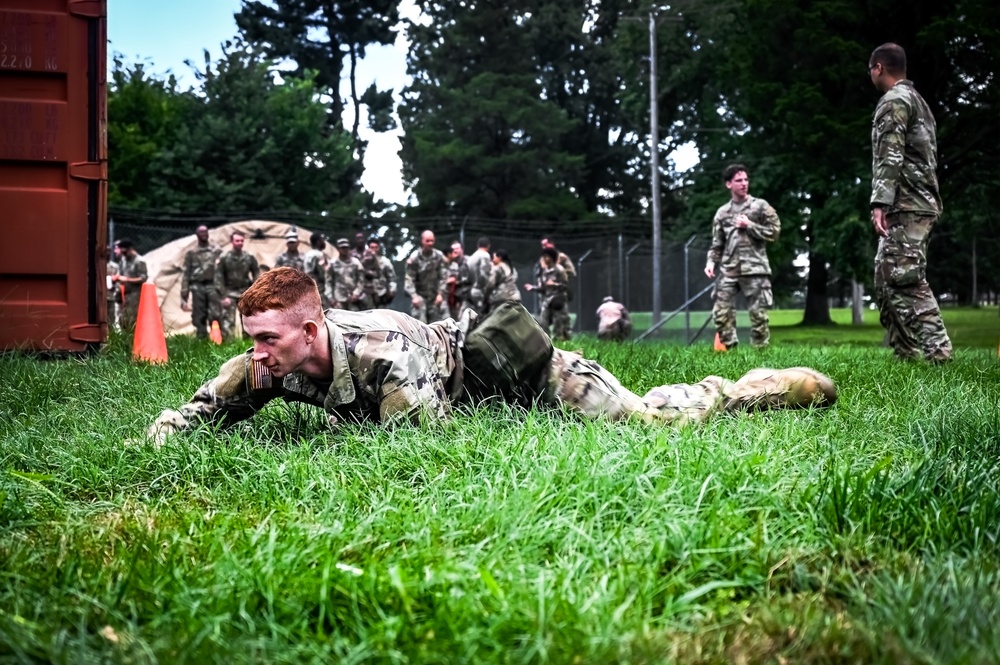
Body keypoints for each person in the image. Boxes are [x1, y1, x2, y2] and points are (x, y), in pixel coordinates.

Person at [145, 268, 838, 446]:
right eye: (253, 338)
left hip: (518, 377)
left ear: (310, 328)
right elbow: (199, 410)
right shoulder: (267, 364)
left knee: (652, 423)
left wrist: (327, 432)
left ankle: (754, 386)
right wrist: (163, 432)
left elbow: (416, 449)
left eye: (268, 338)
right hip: (468, 389)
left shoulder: (385, 357)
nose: (255, 353)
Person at [868, 42, 952, 363]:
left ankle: (939, 353)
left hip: (906, 204)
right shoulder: (918, 101)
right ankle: (905, 352)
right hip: (916, 203)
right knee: (884, 279)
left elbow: (891, 153)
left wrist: (880, 202)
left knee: (905, 278)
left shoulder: (894, 101)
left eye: (871, 70)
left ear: (879, 68)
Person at [704, 164, 781, 349]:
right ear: (729, 184)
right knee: (721, 313)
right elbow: (717, 243)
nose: (744, 183)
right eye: (739, 180)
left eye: (746, 179)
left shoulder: (760, 206)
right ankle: (731, 352)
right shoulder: (722, 213)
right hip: (729, 270)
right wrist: (711, 262)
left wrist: (750, 226)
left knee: (759, 316)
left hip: (755, 269)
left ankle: (760, 355)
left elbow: (775, 232)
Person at [214, 231, 260, 341]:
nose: (240, 243)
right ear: (232, 242)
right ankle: (228, 346)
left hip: (245, 293)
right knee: (228, 321)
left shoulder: (249, 257)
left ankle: (248, 345)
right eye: (237, 241)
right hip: (229, 293)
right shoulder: (224, 257)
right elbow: (218, 277)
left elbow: (256, 274)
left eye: (242, 241)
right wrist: (223, 295)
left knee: (248, 319)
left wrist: (254, 291)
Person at [180, 225, 222, 339]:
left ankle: (220, 338)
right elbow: (186, 273)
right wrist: (184, 291)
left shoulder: (216, 250)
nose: (204, 234)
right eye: (201, 232)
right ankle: (202, 338)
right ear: (197, 235)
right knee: (199, 314)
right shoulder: (191, 253)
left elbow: (222, 270)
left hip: (212, 285)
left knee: (216, 313)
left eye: (206, 232)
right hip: (197, 286)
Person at [525, 247, 571, 341]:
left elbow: (566, 286)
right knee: (543, 321)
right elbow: (543, 288)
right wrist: (532, 288)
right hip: (547, 300)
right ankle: (546, 340)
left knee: (558, 322)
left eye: (547, 256)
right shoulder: (545, 271)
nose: (545, 259)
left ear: (552, 257)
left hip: (558, 299)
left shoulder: (560, 270)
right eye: (544, 256)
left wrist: (555, 284)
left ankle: (560, 340)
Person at [404, 230, 448, 323]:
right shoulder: (415, 258)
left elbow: (443, 277)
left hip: (435, 296)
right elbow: (409, 279)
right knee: (420, 324)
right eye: (427, 241)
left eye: (432, 241)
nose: (430, 243)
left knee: (441, 323)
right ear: (422, 241)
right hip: (420, 297)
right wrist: (414, 296)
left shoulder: (439, 256)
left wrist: (440, 294)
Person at [111, 239, 147, 331]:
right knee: (122, 319)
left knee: (132, 320)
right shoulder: (124, 260)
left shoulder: (139, 261)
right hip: (123, 294)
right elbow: (120, 273)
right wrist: (116, 278)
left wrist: (127, 279)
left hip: (134, 295)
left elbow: (143, 278)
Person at [326, 238, 366, 310]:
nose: (345, 250)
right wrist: (330, 298)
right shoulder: (333, 264)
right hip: (338, 299)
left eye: (346, 247)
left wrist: (356, 293)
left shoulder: (356, 263)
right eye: (342, 248)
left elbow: (361, 280)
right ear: (338, 249)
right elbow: (328, 282)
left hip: (353, 299)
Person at [361, 236, 397, 309]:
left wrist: (391, 291)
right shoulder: (362, 262)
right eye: (371, 247)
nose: (373, 249)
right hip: (367, 295)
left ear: (379, 248)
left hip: (381, 294)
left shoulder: (385, 262)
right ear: (368, 248)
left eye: (376, 247)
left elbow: (392, 279)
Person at [483, 249, 521, 315]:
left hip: (503, 297)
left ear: (499, 258)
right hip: (516, 295)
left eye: (494, 257)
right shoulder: (511, 267)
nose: (493, 259)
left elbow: (490, 284)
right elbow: (514, 278)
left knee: (492, 315)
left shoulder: (498, 268)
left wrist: (486, 296)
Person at [444, 241, 475, 320]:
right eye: (453, 249)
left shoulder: (469, 261)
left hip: (467, 295)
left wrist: (457, 281)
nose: (455, 250)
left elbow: (472, 278)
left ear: (462, 250)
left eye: (457, 248)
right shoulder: (448, 262)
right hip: (452, 297)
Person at [465, 236, 493, 316]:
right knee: (483, 317)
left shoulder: (471, 257)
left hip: (472, 290)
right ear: (488, 246)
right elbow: (484, 274)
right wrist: (486, 291)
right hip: (481, 291)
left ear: (478, 245)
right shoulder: (485, 256)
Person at [303, 232, 331, 309]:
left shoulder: (308, 254)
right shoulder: (319, 255)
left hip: (309, 286)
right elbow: (324, 274)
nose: (324, 242)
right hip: (320, 287)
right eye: (322, 240)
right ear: (318, 242)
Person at [106, 243, 121, 331]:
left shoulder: (114, 267)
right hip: (98, 296)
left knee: (111, 318)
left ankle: (111, 337)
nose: (107, 253)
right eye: (106, 251)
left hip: (110, 295)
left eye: (109, 251)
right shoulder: (96, 265)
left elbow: (118, 280)